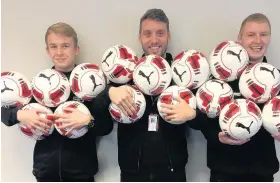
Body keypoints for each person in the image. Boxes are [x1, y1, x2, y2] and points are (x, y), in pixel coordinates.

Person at [190, 13, 280, 182]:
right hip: (223, 171)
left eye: (263, 34)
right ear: (240, 40)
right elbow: (200, 119)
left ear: (269, 38)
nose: (258, 40)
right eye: (251, 35)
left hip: (263, 172)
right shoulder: (219, 78)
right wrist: (216, 135)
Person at [1, 22, 113, 182]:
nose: (59, 52)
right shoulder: (38, 86)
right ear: (47, 50)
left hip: (81, 174)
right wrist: (21, 115)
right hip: (45, 173)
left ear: (76, 49)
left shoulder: (92, 83)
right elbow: (4, 113)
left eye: (65, 46)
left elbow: (105, 127)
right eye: (53, 46)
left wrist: (88, 121)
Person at [101, 9, 196, 182]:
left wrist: (193, 114)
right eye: (147, 34)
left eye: (160, 33)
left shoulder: (183, 76)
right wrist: (110, 92)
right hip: (133, 173)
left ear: (169, 36)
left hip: (173, 173)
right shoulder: (124, 76)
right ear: (140, 37)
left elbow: (204, 118)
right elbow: (97, 106)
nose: (154, 40)